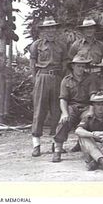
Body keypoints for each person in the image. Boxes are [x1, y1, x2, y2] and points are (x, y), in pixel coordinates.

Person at [29, 16, 68, 157]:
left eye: (53, 28)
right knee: (39, 110)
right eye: (48, 28)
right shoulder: (36, 45)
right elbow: (32, 64)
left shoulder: (62, 45)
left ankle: (55, 143)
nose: (51, 30)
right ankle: (36, 144)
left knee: (57, 111)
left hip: (58, 78)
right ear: (43, 30)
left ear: (56, 29)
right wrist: (35, 80)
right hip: (42, 77)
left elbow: (65, 64)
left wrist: (62, 79)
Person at [51, 54, 98, 163]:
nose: (81, 69)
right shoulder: (66, 80)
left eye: (83, 66)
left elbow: (93, 96)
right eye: (78, 66)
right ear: (73, 66)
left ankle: (89, 149)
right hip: (72, 106)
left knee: (91, 119)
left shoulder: (90, 78)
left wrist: (91, 110)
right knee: (64, 121)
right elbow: (63, 99)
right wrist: (64, 113)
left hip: (86, 106)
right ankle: (57, 150)